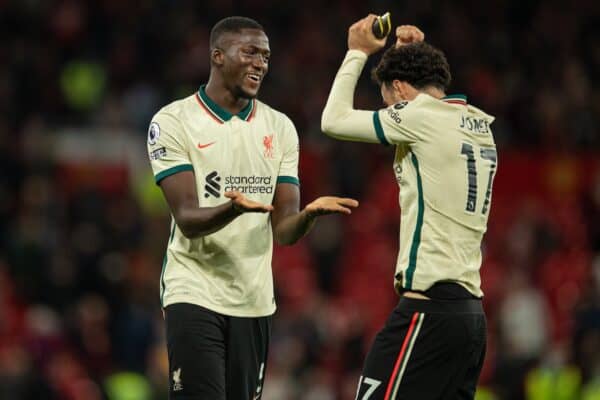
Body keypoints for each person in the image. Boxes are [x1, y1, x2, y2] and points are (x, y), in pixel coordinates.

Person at [147, 16, 358, 400]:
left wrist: (308, 216)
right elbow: (188, 220)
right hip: (193, 290)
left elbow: (284, 230)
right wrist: (235, 209)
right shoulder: (173, 121)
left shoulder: (280, 128)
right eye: (250, 52)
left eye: (265, 55)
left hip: (253, 300)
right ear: (217, 56)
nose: (260, 63)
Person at [321, 15, 497, 399]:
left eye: (387, 99)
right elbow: (423, 132)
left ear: (399, 90)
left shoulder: (419, 118)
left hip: (428, 312)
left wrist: (356, 52)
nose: (387, 109)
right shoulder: (477, 123)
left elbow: (333, 120)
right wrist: (404, 56)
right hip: (470, 318)